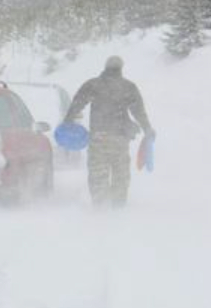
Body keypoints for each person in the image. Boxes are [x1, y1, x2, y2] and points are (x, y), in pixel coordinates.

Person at [63, 56, 155, 208]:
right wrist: (147, 128)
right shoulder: (128, 87)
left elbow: (77, 103)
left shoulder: (93, 84)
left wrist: (68, 121)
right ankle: (118, 208)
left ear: (105, 67)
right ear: (121, 68)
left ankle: (99, 209)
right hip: (120, 139)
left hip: (99, 138)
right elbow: (139, 111)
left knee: (97, 175)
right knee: (120, 176)